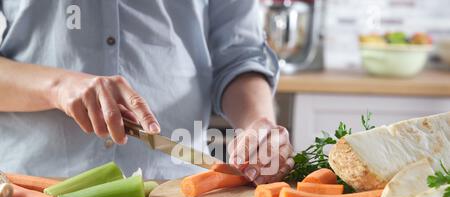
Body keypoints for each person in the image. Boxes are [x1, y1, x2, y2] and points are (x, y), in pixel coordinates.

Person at [0, 0, 293, 184]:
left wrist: (257, 124)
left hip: (177, 189)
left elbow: (239, 55)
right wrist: (58, 87)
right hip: (32, 190)